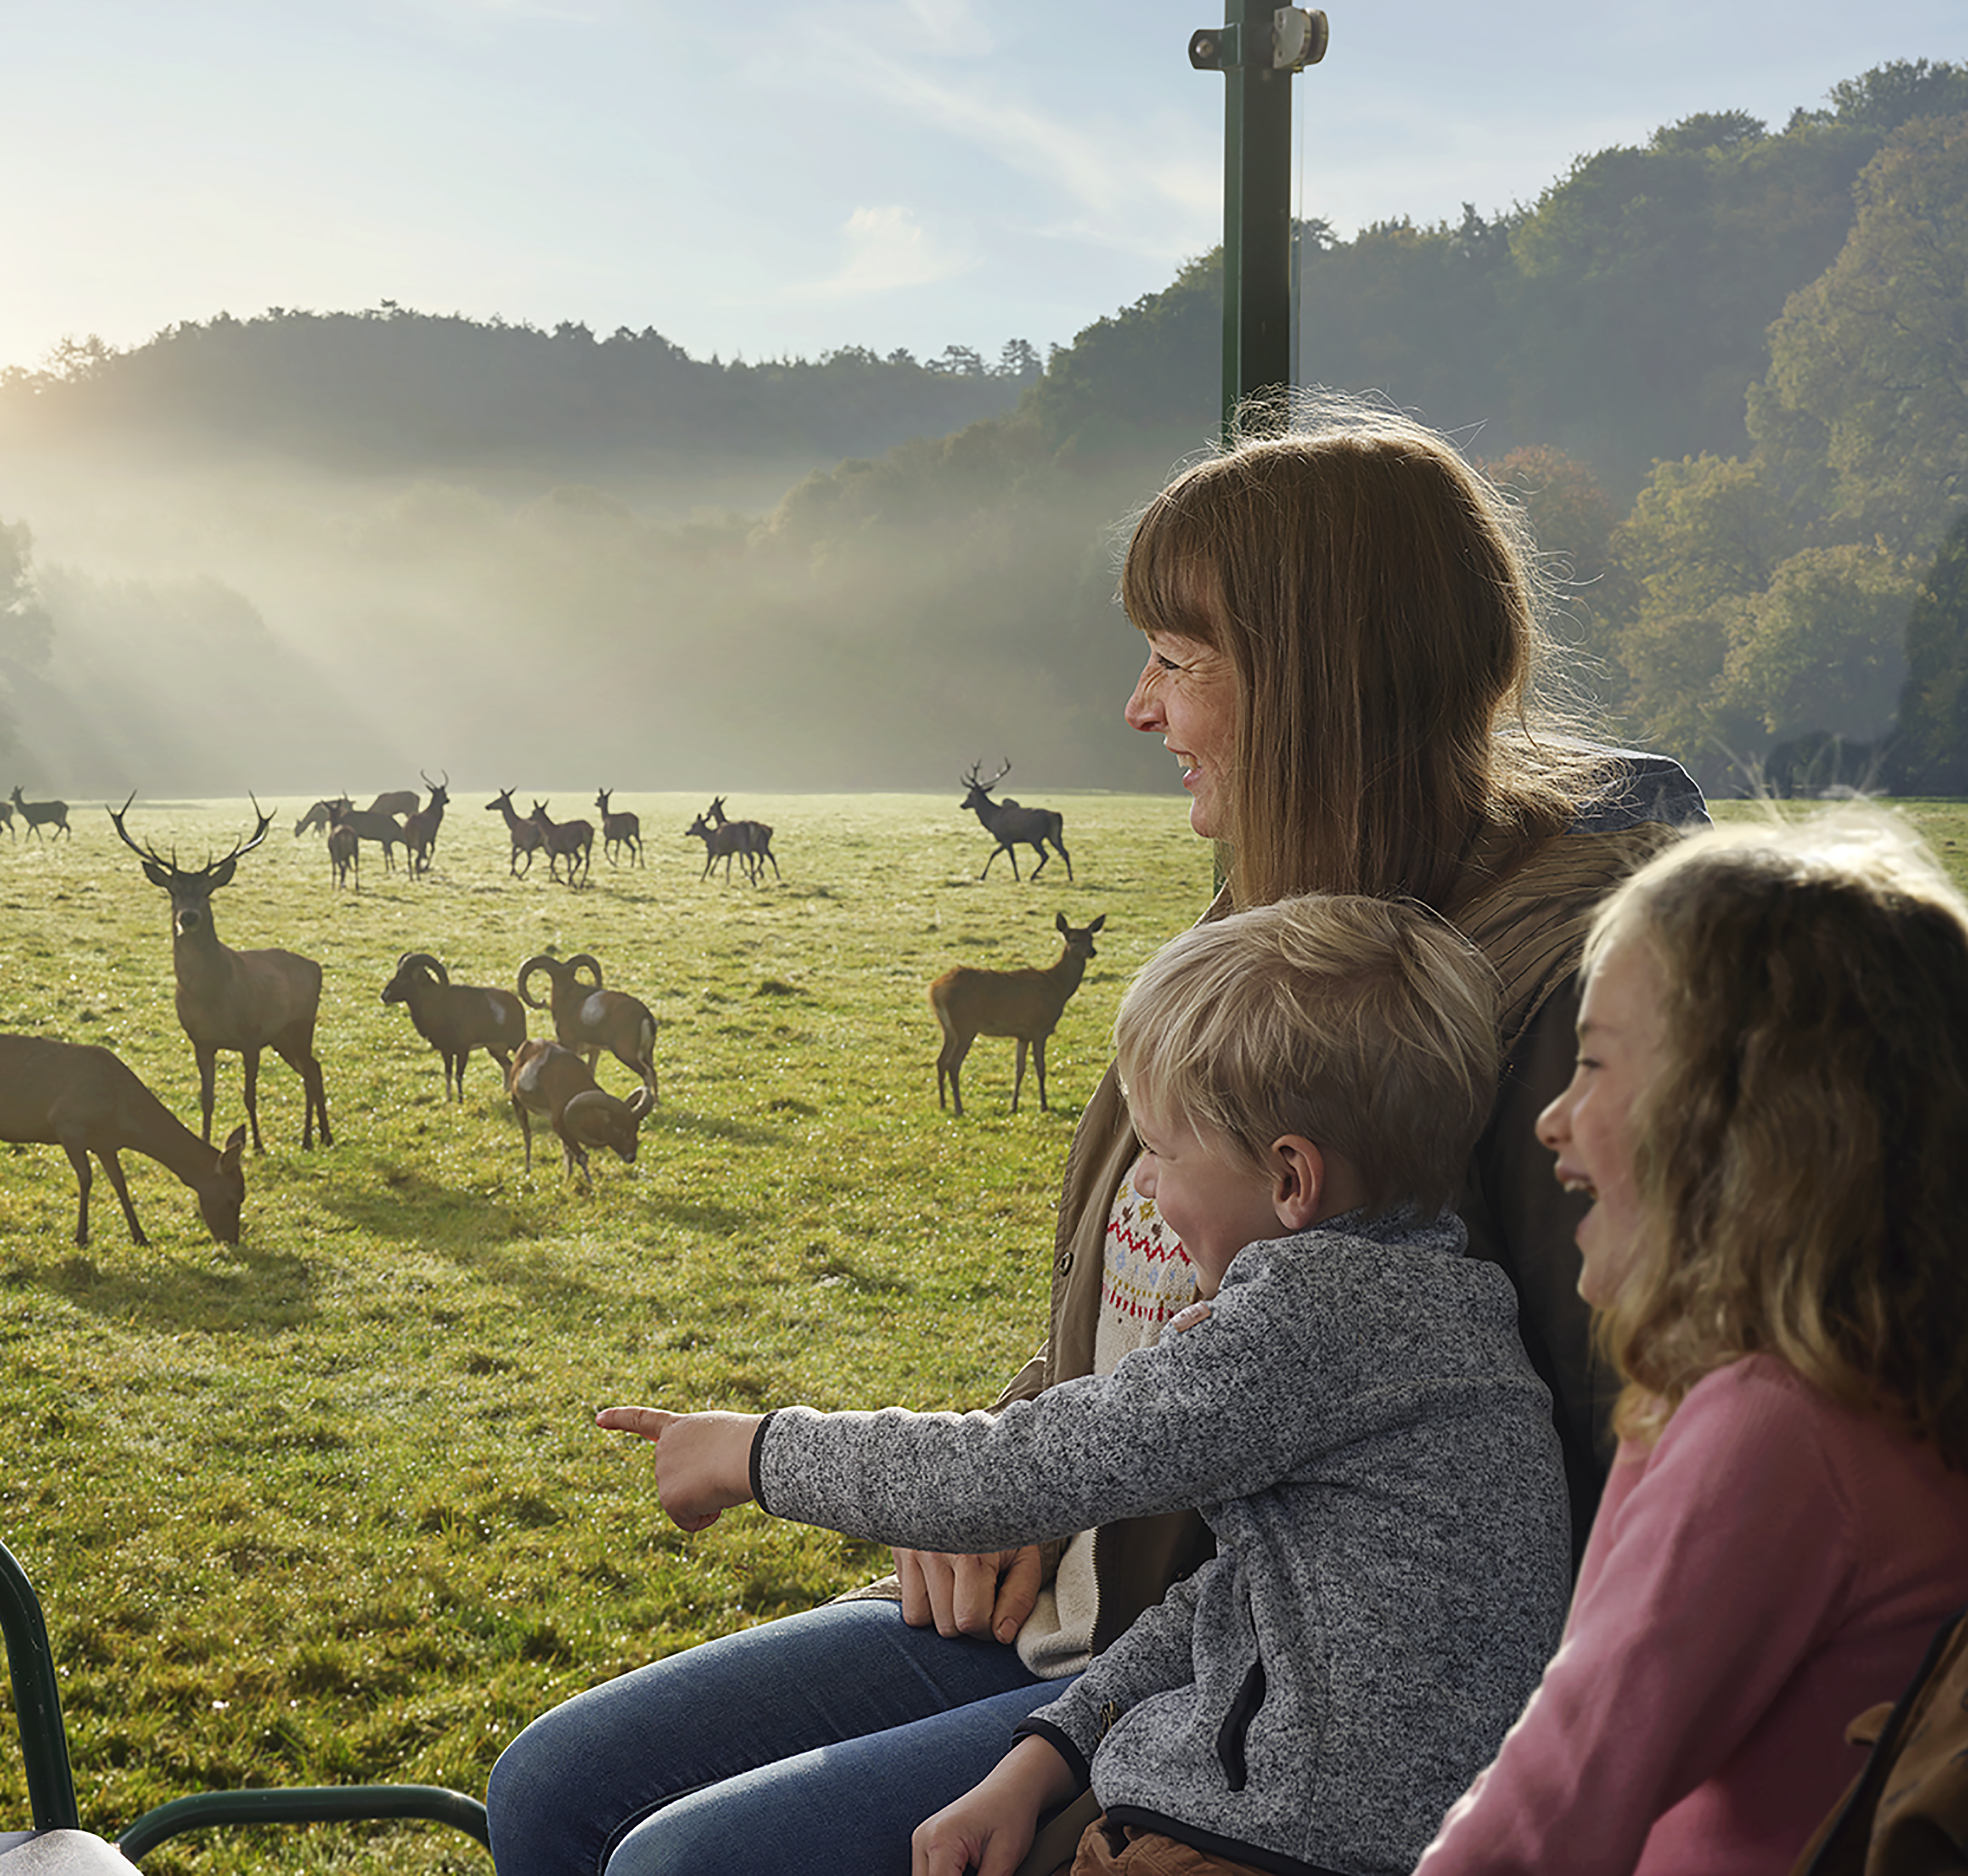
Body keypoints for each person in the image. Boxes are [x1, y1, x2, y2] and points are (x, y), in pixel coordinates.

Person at [484, 400, 1706, 1876]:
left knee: (688, 1861)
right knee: (552, 1782)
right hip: (1063, 1576)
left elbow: (1569, 1465)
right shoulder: (1263, 916)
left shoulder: (1538, 1002)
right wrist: (1018, 1447)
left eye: (1181, 663)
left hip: (1235, 1686)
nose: (1139, 709)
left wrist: (982, 1487)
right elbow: (1140, 1301)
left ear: (1320, 685)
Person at [602, 894, 1572, 1876]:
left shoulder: (1320, 1323)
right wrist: (1043, 1759)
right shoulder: (1432, 1305)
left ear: (1291, 1179)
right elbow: (1234, 1605)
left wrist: (752, 1450)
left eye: (1158, 1147)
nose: (1142, 1184)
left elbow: (1006, 1475)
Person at [1416, 811, 1968, 1875]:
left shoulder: (1773, 1424)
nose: (1553, 1119)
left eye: (1596, 1063)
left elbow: (1548, 1815)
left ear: (1738, 1121)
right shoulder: (1886, 1391)